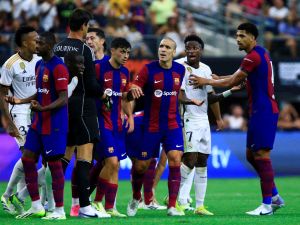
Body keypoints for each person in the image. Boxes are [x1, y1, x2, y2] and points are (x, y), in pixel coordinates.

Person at [189, 22, 285, 216]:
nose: (237, 39)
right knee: (251, 155)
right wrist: (219, 77)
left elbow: (233, 81)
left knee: (261, 156)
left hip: (264, 110)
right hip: (258, 111)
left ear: (252, 37)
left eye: (242, 35)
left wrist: (207, 81)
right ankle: (274, 196)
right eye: (236, 35)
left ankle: (267, 205)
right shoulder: (260, 53)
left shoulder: (252, 57)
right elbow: (237, 77)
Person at [126, 37, 201, 216]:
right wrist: (132, 90)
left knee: (175, 159)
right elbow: (133, 88)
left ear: (174, 52)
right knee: (141, 167)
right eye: (161, 46)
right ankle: (137, 196)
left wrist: (189, 100)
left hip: (173, 124)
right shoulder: (148, 69)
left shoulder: (180, 70)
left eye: (167, 47)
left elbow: (177, 95)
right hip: (151, 126)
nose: (163, 49)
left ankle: (172, 206)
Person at [53, 8, 110, 218]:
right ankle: (85, 206)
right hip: (82, 105)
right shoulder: (84, 49)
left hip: (61, 107)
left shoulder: (57, 47)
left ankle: (52, 203)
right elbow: (90, 83)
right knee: (85, 157)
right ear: (84, 25)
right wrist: (104, 94)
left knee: (64, 157)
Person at [6, 32, 69, 220]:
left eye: (40, 43)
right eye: (37, 42)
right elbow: (40, 93)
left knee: (55, 166)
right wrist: (20, 101)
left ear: (50, 45)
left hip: (54, 125)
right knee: (27, 159)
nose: (37, 45)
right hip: (38, 122)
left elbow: (63, 98)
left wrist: (43, 108)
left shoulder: (59, 67)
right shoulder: (40, 64)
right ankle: (35, 205)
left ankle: (59, 210)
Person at [0, 26, 42, 215]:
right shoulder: (10, 65)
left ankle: (14, 195)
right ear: (25, 43)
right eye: (35, 40)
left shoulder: (40, 59)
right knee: (28, 155)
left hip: (38, 110)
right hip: (19, 112)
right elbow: (2, 94)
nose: (38, 43)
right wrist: (8, 121)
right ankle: (9, 195)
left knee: (32, 158)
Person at [91, 37, 133, 218]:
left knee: (115, 166)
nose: (126, 56)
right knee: (112, 162)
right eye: (122, 51)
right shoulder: (99, 68)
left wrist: (130, 115)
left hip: (117, 125)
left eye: (128, 53)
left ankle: (110, 207)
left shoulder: (125, 72)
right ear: (113, 50)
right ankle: (97, 202)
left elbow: (123, 97)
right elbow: (92, 93)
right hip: (102, 122)